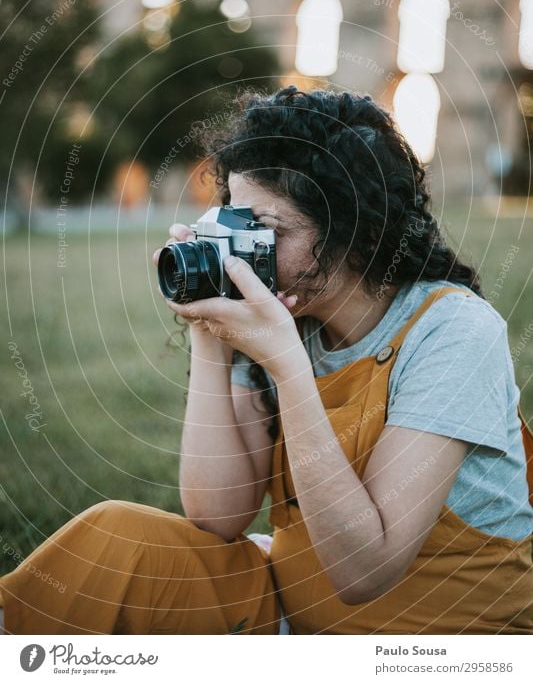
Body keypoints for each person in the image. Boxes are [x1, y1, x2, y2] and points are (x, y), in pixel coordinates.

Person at [1, 86, 532, 635]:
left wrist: (287, 368)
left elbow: (365, 571)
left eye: (268, 230)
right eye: (235, 220)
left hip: (443, 648)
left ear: (360, 232)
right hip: (293, 620)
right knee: (115, 539)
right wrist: (209, 335)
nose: (241, 247)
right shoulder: (282, 316)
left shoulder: (453, 333)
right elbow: (216, 516)